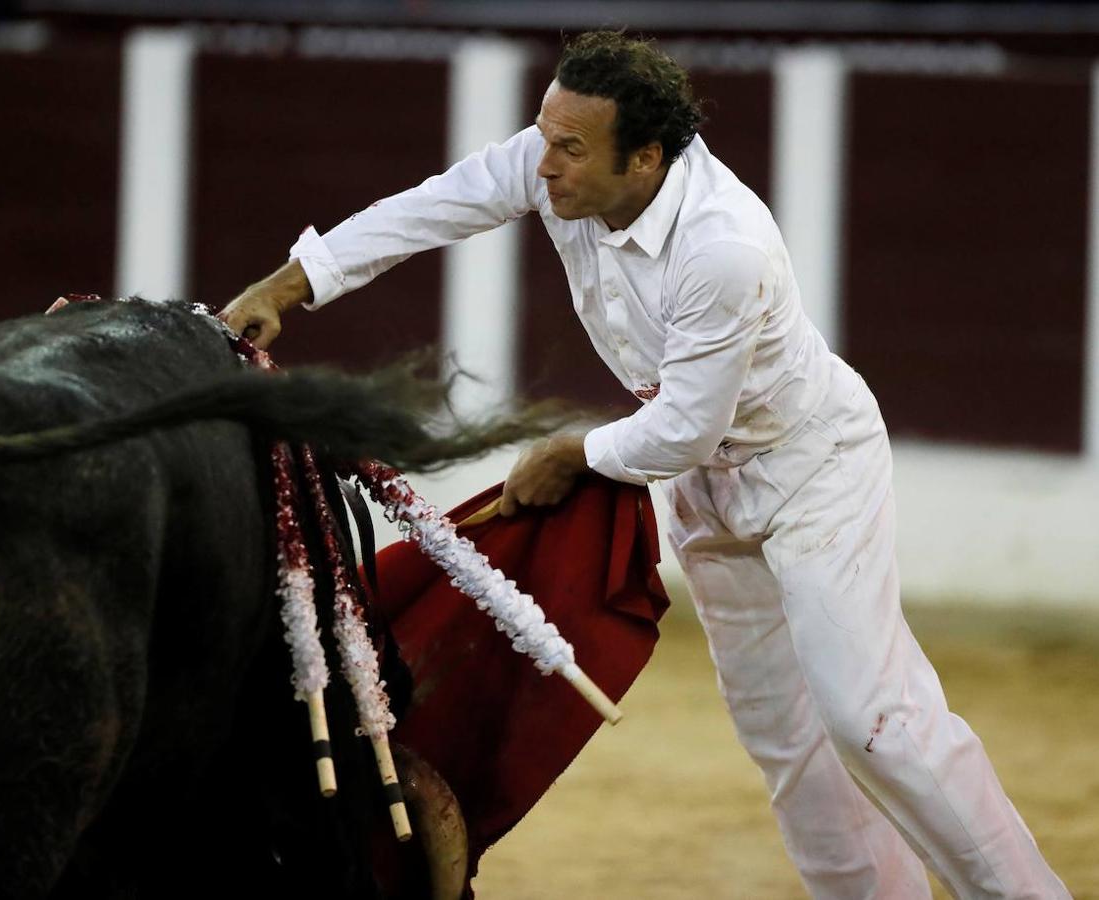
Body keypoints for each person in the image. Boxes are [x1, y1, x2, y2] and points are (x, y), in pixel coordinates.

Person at [221, 30, 1069, 900]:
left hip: (813, 469)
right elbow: (434, 205)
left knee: (873, 721)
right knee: (789, 745)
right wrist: (287, 287)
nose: (542, 165)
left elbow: (685, 430)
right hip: (711, 489)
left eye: (570, 149)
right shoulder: (562, 164)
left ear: (647, 160)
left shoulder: (724, 245)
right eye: (543, 136)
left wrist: (570, 453)